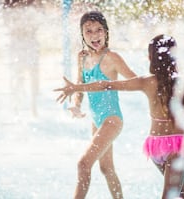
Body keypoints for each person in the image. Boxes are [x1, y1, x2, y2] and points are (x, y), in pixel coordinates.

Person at [55, 34, 184, 199]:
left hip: (155, 145)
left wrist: (77, 87)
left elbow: (107, 85)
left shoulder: (146, 81)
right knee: (171, 194)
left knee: (181, 190)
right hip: (175, 145)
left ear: (150, 57)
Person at [61, 11, 136, 199]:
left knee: (83, 164)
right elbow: (80, 85)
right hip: (97, 121)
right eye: (88, 31)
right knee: (106, 168)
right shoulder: (82, 57)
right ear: (82, 34)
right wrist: (76, 104)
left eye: (98, 30)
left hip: (112, 119)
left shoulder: (112, 58)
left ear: (106, 32)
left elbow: (137, 81)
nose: (94, 35)